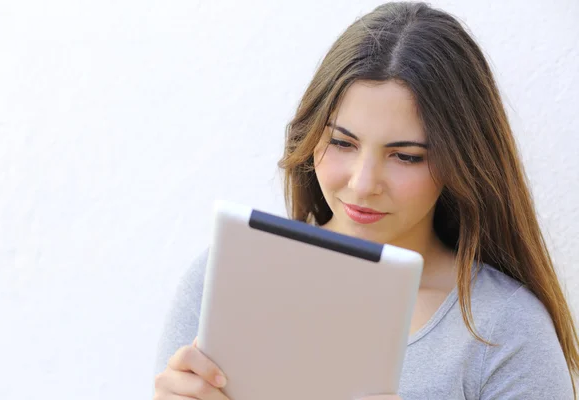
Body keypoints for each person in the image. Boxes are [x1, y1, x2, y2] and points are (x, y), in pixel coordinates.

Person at [153, 2, 579, 399]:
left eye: (406, 156)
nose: (362, 184)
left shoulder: (505, 330)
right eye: (342, 142)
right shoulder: (223, 281)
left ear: (461, 162)